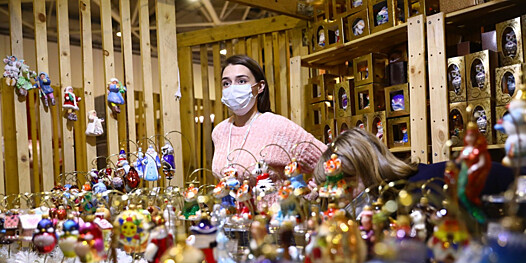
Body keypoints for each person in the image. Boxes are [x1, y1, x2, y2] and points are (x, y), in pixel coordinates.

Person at [314, 127, 515, 216]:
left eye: (346, 183)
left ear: (368, 167)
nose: (340, 197)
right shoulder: (380, 207)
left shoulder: (427, 185)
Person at [212, 55, 326, 189]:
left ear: (260, 87)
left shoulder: (276, 125)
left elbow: (327, 160)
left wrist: (305, 194)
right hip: (230, 209)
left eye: (241, 81)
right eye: (226, 83)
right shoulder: (220, 131)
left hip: (273, 209)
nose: (232, 88)